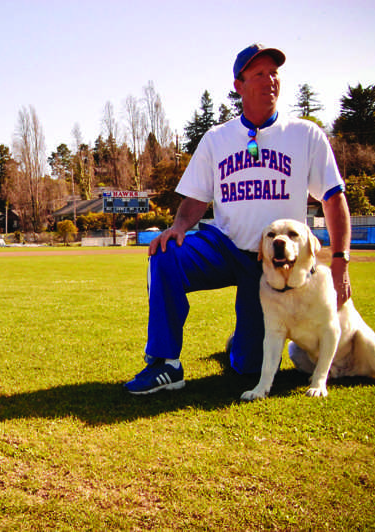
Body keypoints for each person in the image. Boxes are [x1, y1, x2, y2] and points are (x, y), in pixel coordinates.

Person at [125, 43, 352, 395]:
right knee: (166, 253)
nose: (270, 80)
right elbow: (195, 199)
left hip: (273, 266)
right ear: (239, 85)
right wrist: (179, 227)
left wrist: (340, 260)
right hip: (224, 245)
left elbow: (333, 197)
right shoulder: (218, 138)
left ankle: (238, 345)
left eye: (274, 73)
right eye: (259, 74)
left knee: (248, 367)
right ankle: (165, 364)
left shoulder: (305, 135)